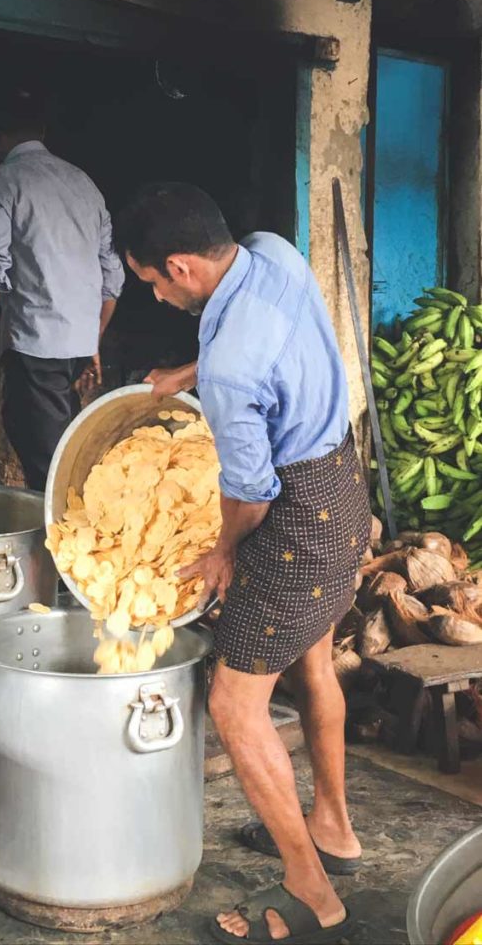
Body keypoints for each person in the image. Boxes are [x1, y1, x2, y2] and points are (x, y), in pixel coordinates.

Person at [114, 183, 370, 945]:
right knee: (312, 665)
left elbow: (249, 494)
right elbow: (265, 344)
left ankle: (310, 891)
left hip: (294, 524)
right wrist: (182, 377)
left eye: (154, 282)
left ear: (182, 266)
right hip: (342, 487)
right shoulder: (272, 252)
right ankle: (334, 830)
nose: (157, 299)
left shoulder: (227, 368)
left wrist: (222, 551)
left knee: (233, 705)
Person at [0, 89, 124, 491]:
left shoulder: (0, 181)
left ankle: (61, 548)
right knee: (61, 452)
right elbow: (112, 274)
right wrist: (93, 339)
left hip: (37, 344)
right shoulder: (82, 182)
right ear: (43, 131)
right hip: (75, 346)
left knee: (50, 469)